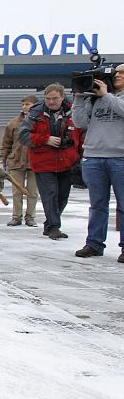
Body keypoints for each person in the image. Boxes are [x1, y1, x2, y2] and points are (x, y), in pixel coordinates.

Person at [70, 65, 124, 262]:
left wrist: (107, 95)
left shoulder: (109, 97)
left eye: (123, 73)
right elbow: (79, 123)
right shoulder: (95, 99)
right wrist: (78, 97)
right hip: (94, 156)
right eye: (116, 72)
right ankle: (94, 243)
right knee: (97, 205)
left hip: (120, 157)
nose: (117, 75)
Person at [19, 83, 81, 240]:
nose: (51, 102)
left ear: (62, 96)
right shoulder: (35, 114)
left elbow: (82, 135)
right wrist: (45, 139)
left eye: (54, 98)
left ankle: (50, 224)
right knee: (50, 194)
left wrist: (80, 157)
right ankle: (54, 227)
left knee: (62, 196)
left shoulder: (75, 112)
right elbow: (23, 136)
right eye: (48, 99)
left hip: (67, 162)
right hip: (43, 162)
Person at [0, 95, 40, 227]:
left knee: (33, 192)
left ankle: (30, 217)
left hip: (35, 162)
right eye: (23, 104)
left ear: (35, 106)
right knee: (17, 191)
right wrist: (2, 160)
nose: (24, 107)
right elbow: (6, 144)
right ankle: (16, 216)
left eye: (28, 104)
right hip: (16, 161)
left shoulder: (40, 122)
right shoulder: (13, 123)